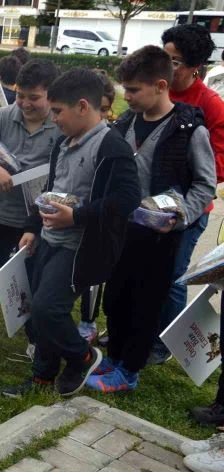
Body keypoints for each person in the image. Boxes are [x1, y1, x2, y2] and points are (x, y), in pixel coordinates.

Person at [1, 68, 140, 398]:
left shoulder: (111, 146)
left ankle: (84, 357)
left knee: (48, 308)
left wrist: (76, 216)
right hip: (49, 240)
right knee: (38, 309)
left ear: (82, 106)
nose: (54, 118)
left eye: (58, 111)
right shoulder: (63, 142)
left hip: (79, 248)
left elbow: (127, 199)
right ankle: (42, 377)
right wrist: (33, 227)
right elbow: (50, 188)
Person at [86, 46, 216, 393]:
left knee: (145, 305)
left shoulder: (189, 129)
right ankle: (114, 357)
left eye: (133, 90)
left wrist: (179, 216)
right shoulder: (125, 123)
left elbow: (205, 185)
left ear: (160, 85)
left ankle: (129, 371)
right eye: (124, 89)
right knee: (116, 299)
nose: (126, 96)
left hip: (160, 239)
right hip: (121, 232)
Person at [0, 59, 61, 350]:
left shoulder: (60, 124)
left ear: (52, 95)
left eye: (34, 98)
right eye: (20, 95)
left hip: (38, 218)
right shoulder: (5, 115)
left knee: (33, 279)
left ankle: (35, 339)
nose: (26, 104)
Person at [148, 24, 224, 365]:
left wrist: (180, 178)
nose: (167, 66)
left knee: (173, 276)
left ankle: (166, 342)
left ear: (195, 66)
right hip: (150, 203)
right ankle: (144, 328)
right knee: (145, 271)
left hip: (187, 208)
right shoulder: (157, 90)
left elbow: (219, 164)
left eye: (174, 61)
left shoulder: (210, 105)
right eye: (164, 56)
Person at [76, 69, 117, 344]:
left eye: (105, 110)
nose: (100, 116)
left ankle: (88, 321)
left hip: (97, 218)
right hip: (71, 216)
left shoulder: (112, 137)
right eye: (96, 109)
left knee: (93, 277)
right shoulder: (70, 134)